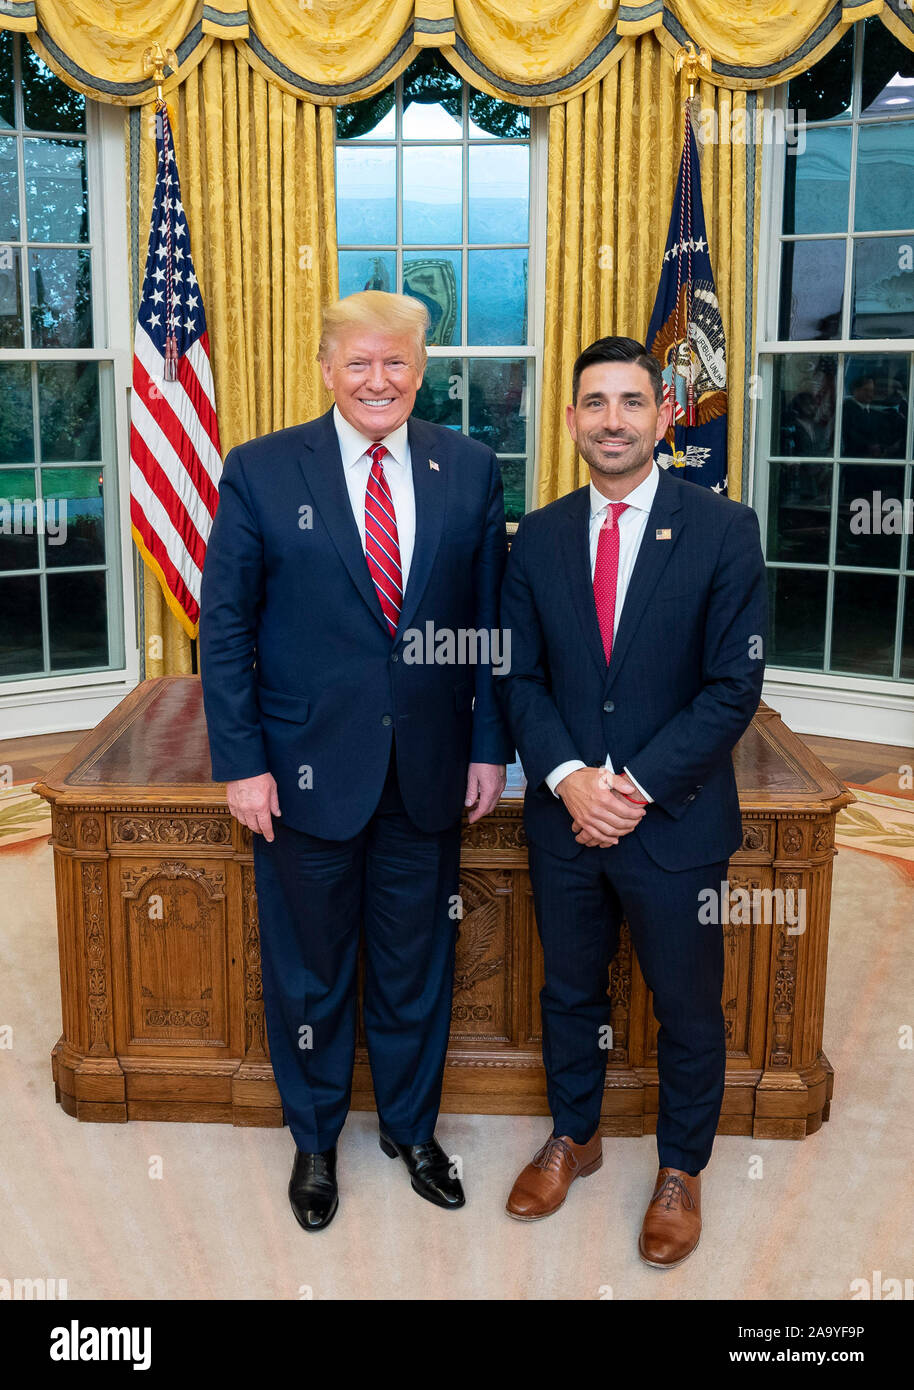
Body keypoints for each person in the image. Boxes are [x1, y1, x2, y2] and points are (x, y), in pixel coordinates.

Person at [199, 290, 512, 1231]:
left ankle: (412, 1131)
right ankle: (315, 1141)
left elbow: (490, 623)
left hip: (429, 769)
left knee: (415, 964)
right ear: (328, 369)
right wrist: (243, 761)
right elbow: (226, 628)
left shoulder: (470, 468)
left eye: (399, 363)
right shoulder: (259, 470)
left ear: (423, 370)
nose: (379, 380)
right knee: (311, 973)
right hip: (298, 776)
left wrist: (489, 746)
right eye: (360, 363)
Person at [494, 336, 767, 1267]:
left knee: (688, 1006)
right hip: (567, 822)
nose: (613, 419)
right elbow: (519, 677)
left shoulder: (726, 530)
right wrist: (571, 778)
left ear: (662, 416)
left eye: (631, 402)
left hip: (676, 823)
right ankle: (576, 1133)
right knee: (569, 991)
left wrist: (635, 787)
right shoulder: (535, 538)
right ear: (570, 420)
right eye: (595, 403)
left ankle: (681, 1168)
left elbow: (734, 688)